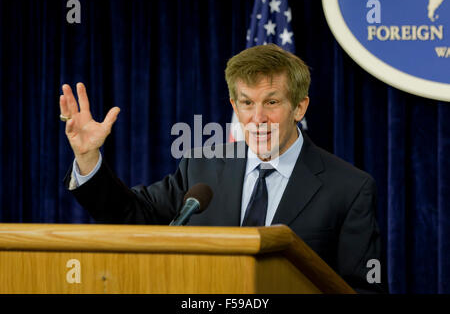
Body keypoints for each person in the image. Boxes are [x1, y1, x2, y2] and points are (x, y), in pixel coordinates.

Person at [60, 44, 385, 293]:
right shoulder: (202, 167)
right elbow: (132, 216)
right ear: (234, 106)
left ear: (299, 107)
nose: (257, 119)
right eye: (247, 103)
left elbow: (361, 289)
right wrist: (88, 157)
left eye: (271, 102)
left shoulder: (350, 188)